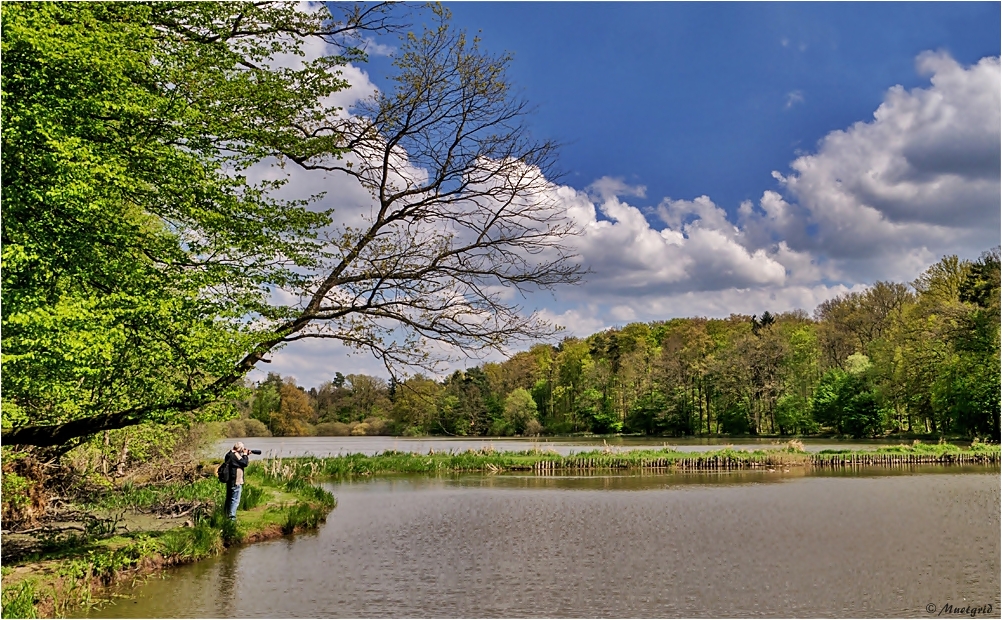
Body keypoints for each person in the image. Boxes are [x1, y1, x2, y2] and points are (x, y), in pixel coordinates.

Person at [223, 441, 250, 521]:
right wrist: (245, 455)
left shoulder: (228, 454)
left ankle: (226, 515)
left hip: (229, 480)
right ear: (240, 449)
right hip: (236, 481)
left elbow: (237, 462)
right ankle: (232, 518)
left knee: (229, 498)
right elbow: (244, 463)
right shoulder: (236, 455)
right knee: (235, 500)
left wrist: (244, 455)